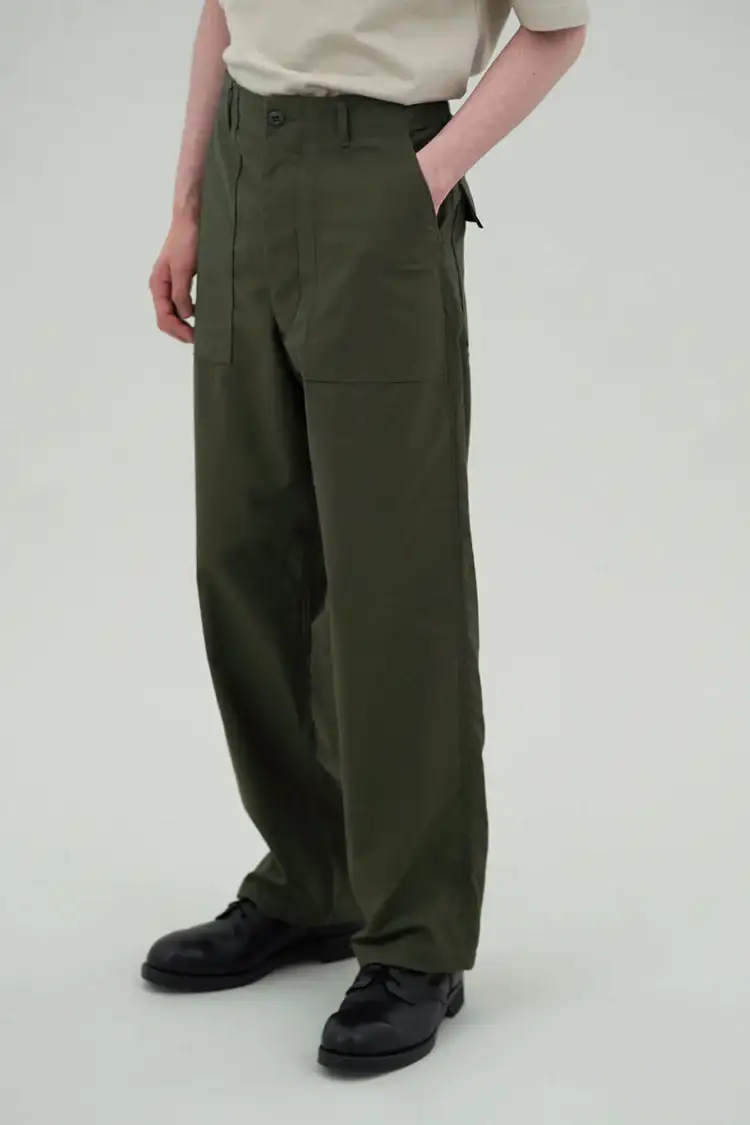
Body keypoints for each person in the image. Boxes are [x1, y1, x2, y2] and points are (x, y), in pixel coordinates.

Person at [145, 0, 588, 1076]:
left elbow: (558, 29)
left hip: (380, 173)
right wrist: (189, 204)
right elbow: (222, 12)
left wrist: (424, 178)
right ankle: (313, 882)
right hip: (244, 163)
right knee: (247, 557)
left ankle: (418, 939)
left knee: (393, 582)